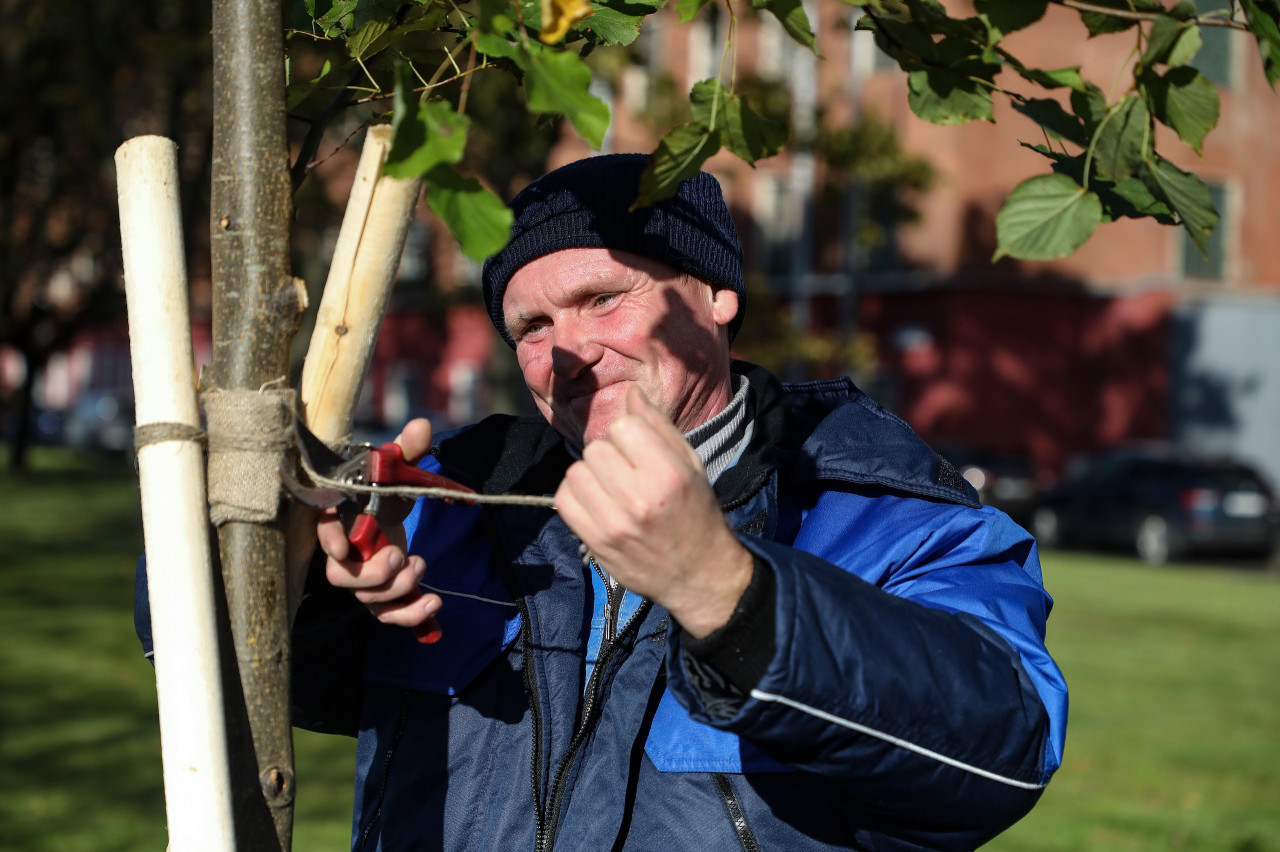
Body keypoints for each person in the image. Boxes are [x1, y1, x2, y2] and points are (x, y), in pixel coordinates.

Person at [148, 153, 1068, 850]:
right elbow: (201, 654)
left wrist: (727, 592)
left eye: (602, 297)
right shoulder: (464, 498)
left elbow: (1003, 749)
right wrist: (305, 560)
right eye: (532, 326)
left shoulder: (884, 511)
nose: (568, 350)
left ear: (717, 296)